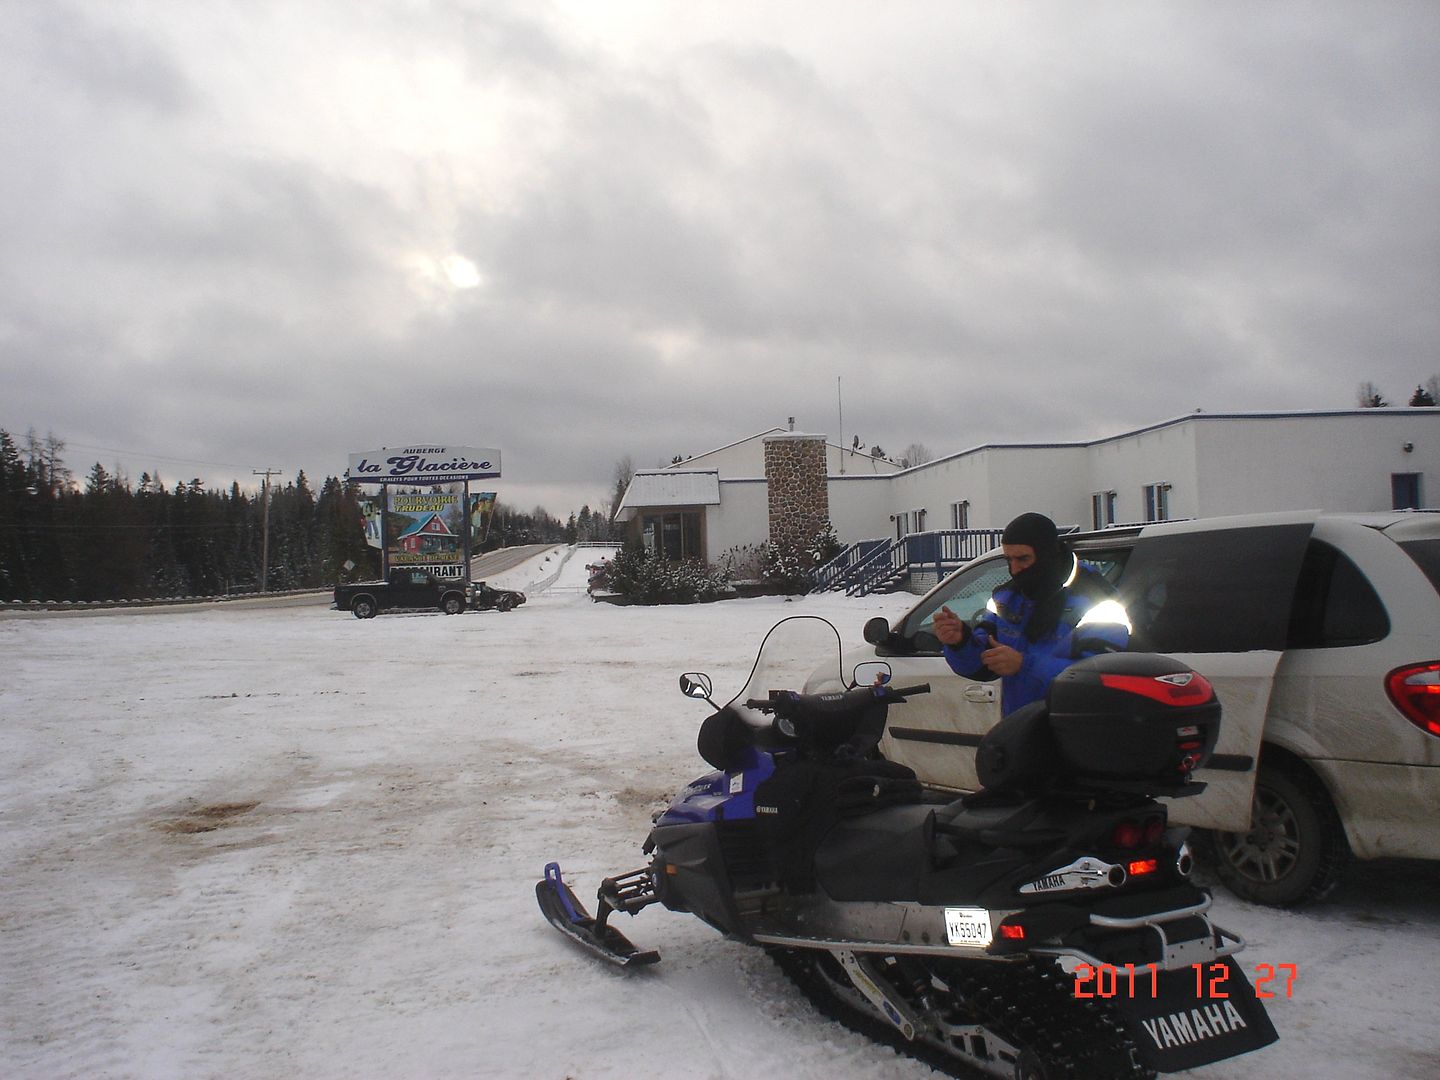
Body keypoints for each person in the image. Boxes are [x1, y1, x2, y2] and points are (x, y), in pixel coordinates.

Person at [932, 512, 1130, 714]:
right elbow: (983, 663)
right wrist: (960, 641)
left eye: (1023, 559)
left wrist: (1024, 665)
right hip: (1021, 728)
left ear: (1046, 555)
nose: (1015, 569)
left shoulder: (1098, 600)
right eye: (1008, 559)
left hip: (1077, 731)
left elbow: (1100, 679)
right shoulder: (1007, 597)